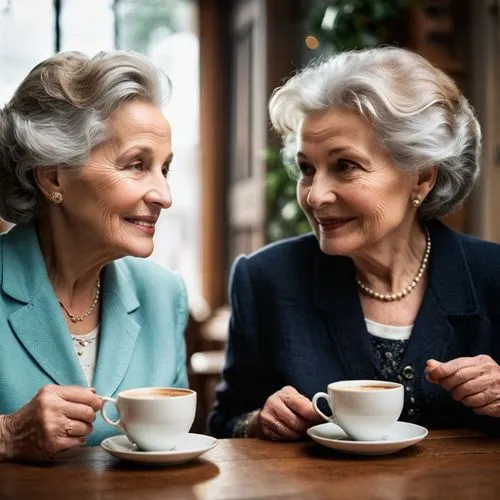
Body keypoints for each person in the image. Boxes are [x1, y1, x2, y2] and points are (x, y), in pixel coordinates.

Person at [209, 46, 500, 441]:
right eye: (307, 169)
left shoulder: (493, 276)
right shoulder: (264, 280)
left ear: (421, 177)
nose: (315, 196)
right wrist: (259, 421)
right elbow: (226, 420)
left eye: (345, 166)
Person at [0, 50, 189, 461]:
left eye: (165, 169)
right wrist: (8, 435)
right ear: (53, 176)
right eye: (137, 165)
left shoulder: (164, 295)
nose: (164, 196)